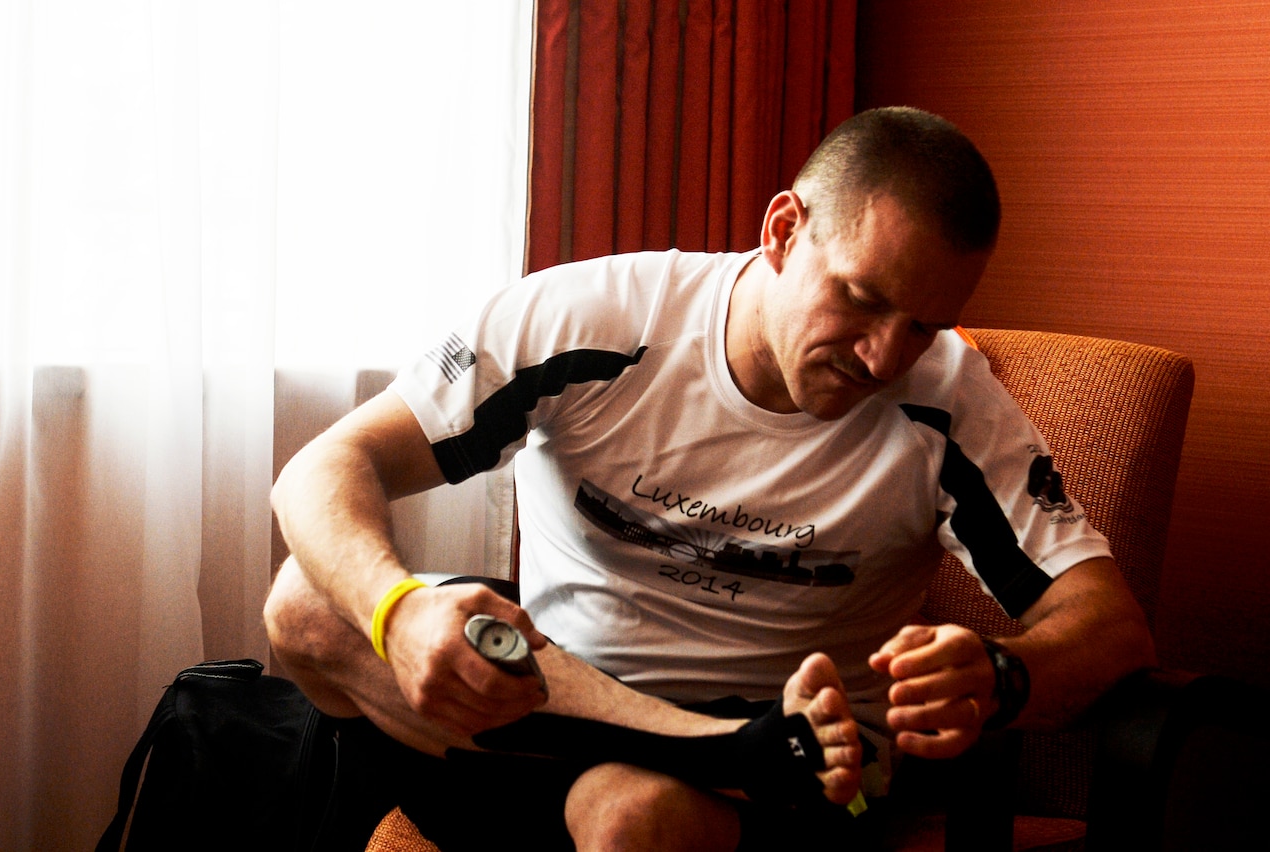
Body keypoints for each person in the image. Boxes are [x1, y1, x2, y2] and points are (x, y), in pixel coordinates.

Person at [264, 107, 1156, 850]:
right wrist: (399, 609)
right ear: (782, 232)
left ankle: (736, 752)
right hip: (552, 711)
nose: (885, 355)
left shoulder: (950, 406)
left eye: (923, 325)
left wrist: (1006, 674)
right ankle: (725, 746)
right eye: (863, 299)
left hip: (792, 776)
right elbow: (326, 467)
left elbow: (1110, 628)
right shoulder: (597, 319)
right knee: (305, 601)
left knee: (633, 815)